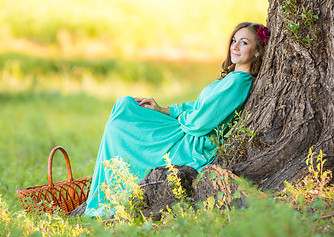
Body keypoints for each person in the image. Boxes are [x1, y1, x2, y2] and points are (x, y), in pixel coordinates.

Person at [85, 22, 270, 217]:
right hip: (187, 127)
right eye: (234, 40)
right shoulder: (231, 78)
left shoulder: (239, 82)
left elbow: (201, 122)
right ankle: (103, 190)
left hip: (191, 142)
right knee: (125, 105)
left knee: (119, 127)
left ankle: (104, 198)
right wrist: (163, 110)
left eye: (243, 42)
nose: (235, 46)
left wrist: (177, 117)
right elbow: (198, 107)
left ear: (257, 51)